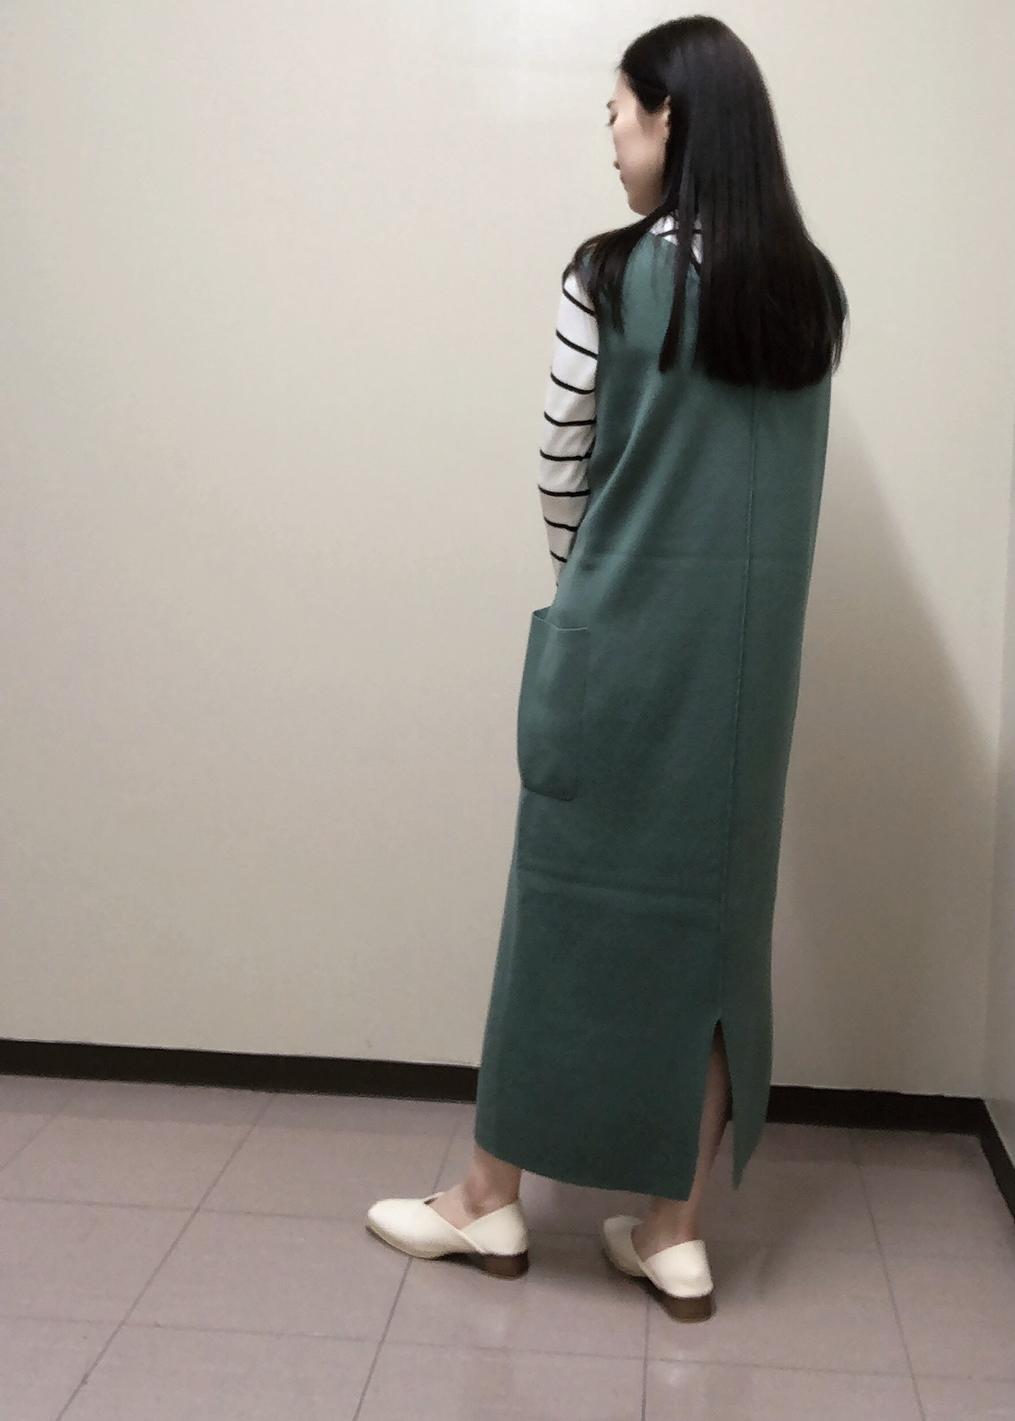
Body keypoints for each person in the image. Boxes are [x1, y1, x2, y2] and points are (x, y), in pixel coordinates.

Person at [366, 14, 848, 1322]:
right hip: (746, 680)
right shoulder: (807, 291)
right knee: (717, 934)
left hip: (618, 648)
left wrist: (595, 587)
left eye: (618, 115)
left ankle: (488, 1197)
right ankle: (675, 1229)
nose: (612, 141)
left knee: (558, 908)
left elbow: (559, 460)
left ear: (670, 118)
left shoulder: (609, 272)